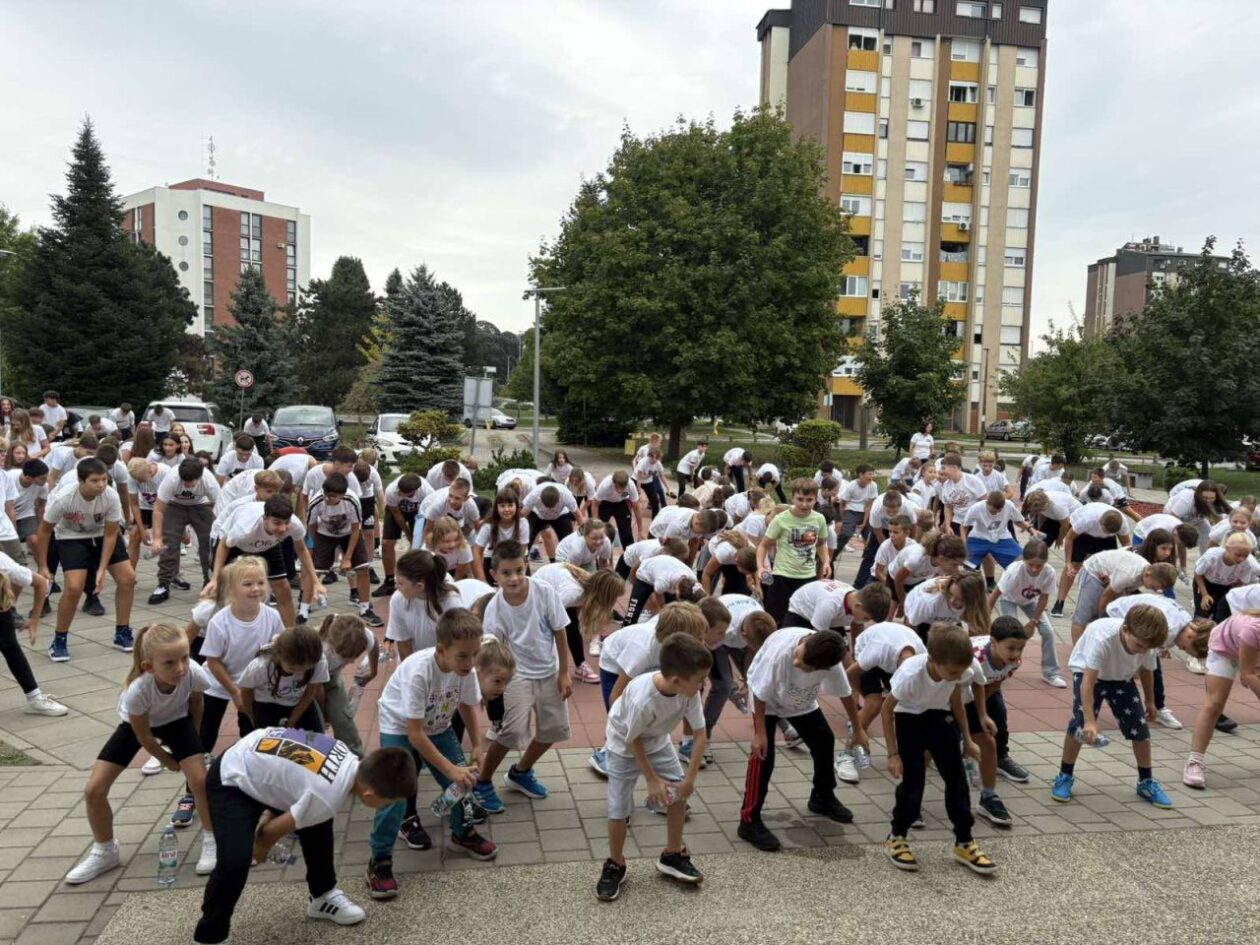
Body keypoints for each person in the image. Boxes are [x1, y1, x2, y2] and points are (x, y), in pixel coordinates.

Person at [193, 729, 416, 945]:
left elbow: (291, 782)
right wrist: (260, 848)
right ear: (370, 795)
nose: (386, 807)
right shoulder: (327, 795)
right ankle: (211, 935)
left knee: (317, 819)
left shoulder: (346, 756)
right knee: (235, 862)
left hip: (257, 758)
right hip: (232, 778)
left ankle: (322, 896)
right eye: (388, 803)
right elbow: (270, 832)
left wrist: (271, 816)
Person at [368, 610, 511, 898]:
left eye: (474, 655)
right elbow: (415, 734)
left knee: (464, 782)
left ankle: (462, 833)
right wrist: (450, 769)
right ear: (441, 650)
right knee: (394, 794)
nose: (470, 663)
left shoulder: (466, 669)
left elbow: (469, 706)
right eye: (463, 656)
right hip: (401, 725)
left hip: (439, 724)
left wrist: (478, 746)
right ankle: (380, 860)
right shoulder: (419, 672)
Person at [65, 624, 216, 885]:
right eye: (169, 663)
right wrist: (168, 760)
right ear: (149, 667)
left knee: (200, 781)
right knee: (94, 790)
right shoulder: (137, 691)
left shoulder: (193, 672)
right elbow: (143, 736)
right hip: (137, 727)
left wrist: (196, 744)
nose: (180, 668)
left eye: (184, 657)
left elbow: (197, 703)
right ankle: (105, 851)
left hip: (178, 722)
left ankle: (213, 840)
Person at [596, 633, 711, 901]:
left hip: (657, 740)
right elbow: (632, 739)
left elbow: (700, 733)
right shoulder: (643, 699)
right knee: (618, 809)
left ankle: (672, 855)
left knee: (679, 795)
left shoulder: (688, 691)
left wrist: (689, 781)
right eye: (699, 681)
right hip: (624, 745)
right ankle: (615, 863)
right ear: (676, 680)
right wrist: (651, 779)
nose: (702, 685)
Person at [737, 627, 866, 852]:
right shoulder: (780, 654)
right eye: (798, 654)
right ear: (806, 641)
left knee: (824, 740)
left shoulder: (831, 658)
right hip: (766, 702)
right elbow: (759, 692)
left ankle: (822, 797)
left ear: (822, 669)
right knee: (763, 755)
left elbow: (845, 692)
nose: (796, 662)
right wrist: (760, 734)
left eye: (803, 664)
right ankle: (749, 820)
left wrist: (857, 728)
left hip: (800, 700)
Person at [882, 622, 995, 875]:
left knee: (957, 780)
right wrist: (893, 754)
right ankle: (897, 836)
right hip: (909, 718)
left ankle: (964, 842)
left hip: (939, 717)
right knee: (914, 782)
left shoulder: (962, 668)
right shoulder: (910, 674)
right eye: (953, 672)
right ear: (933, 660)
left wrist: (967, 739)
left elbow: (955, 699)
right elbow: (886, 709)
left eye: (961, 672)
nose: (958, 676)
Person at [472, 541, 572, 812]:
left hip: (549, 671)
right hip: (517, 675)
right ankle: (482, 782)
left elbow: (560, 631)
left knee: (554, 729)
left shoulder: (544, 592)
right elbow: (493, 653)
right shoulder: (494, 609)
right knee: (510, 731)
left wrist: (564, 672)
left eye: (519, 569)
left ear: (526, 564)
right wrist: (493, 686)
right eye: (506, 573)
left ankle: (521, 772)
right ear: (495, 575)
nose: (514, 577)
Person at [1050, 605, 1174, 809]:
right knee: (1080, 725)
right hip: (1089, 673)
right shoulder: (1103, 639)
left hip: (1122, 678)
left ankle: (1146, 781)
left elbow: (1146, 670)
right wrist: (1090, 721)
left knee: (1139, 728)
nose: (1141, 650)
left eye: (1146, 648)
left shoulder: (1147, 643)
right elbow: (1088, 683)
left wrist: (1151, 701)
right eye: (1138, 645)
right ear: (1125, 630)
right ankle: (1064, 775)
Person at [37, 458, 136, 661]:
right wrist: (43, 565)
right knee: (74, 587)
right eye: (94, 480)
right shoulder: (64, 498)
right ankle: (59, 639)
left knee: (128, 578)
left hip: (102, 536)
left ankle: (122, 631)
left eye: (103, 479)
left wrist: (101, 570)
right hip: (71, 537)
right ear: (81, 481)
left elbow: (110, 535)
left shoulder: (110, 496)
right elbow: (44, 531)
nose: (100, 484)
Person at [206, 496, 316, 629]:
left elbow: (301, 549)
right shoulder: (244, 528)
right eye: (277, 523)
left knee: (284, 588)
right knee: (222, 591)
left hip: (268, 544)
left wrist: (315, 580)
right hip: (234, 545)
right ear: (265, 518)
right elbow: (224, 545)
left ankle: (290, 635)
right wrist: (215, 579)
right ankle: (210, 628)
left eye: (286, 522)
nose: (282, 528)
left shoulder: (294, 525)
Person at [1182, 611, 1259, 790]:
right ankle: (1194, 762)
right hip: (1225, 647)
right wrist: (1248, 672)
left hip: (1251, 651)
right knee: (1215, 703)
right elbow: (1248, 674)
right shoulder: (1252, 629)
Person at [965, 616, 1029, 825]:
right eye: (1011, 648)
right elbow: (954, 692)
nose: (1017, 654)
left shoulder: (1013, 661)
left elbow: (993, 685)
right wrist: (966, 731)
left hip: (985, 690)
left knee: (993, 731)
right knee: (933, 744)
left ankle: (988, 796)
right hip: (952, 691)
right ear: (993, 643)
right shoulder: (973, 659)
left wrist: (982, 716)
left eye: (1021, 648)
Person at [307, 471, 381, 627]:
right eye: (326, 494)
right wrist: (312, 548)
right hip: (324, 533)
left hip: (349, 534)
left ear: (342, 494)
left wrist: (347, 558)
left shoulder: (352, 500)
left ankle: (365, 608)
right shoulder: (316, 501)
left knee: (362, 568)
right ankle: (303, 609)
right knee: (313, 571)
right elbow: (311, 527)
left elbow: (356, 530)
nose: (328, 499)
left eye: (333, 496)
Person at [988, 539, 1064, 687]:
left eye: (1039, 566)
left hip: (1030, 601)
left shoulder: (1049, 572)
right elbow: (994, 596)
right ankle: (1001, 666)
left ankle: (1051, 673)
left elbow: (1044, 597)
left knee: (1048, 631)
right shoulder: (1014, 571)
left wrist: (1033, 622)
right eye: (1031, 564)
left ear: (1045, 563)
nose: (1035, 569)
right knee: (1011, 635)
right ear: (1024, 559)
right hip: (1008, 599)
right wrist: (985, 619)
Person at [756, 478, 829, 625]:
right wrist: (761, 567)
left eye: (809, 500)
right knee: (776, 619)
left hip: (807, 577)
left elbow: (821, 544)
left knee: (803, 620)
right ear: (792, 498)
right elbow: (763, 546)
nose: (804, 504)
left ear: (815, 499)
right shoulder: (780, 519)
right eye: (800, 499)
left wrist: (826, 561)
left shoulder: (819, 519)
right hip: (782, 576)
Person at [149, 458, 219, 604]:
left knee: (209, 545)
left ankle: (209, 582)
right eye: (184, 481)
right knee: (169, 544)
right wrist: (156, 538)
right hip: (175, 506)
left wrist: (219, 533)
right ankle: (164, 583)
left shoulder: (209, 481)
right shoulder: (172, 478)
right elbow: (158, 509)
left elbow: (220, 508)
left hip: (201, 506)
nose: (187, 485)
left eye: (190, 482)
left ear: (199, 477)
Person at [0, 551, 63, 715]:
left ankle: (35, 698)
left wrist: (35, 619)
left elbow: (41, 583)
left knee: (10, 646)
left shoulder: (3, 562)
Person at [1070, 549, 1177, 644]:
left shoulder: (1148, 572)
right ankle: (1078, 655)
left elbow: (1121, 597)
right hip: (1094, 571)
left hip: (1112, 574)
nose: (1155, 590)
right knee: (1082, 618)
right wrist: (1102, 619)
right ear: (1147, 575)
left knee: (1114, 616)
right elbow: (1106, 596)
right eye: (1154, 586)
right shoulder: (1130, 575)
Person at [237, 625, 329, 729]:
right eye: (293, 669)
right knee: (268, 739)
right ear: (279, 656)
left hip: (299, 701)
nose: (300, 672)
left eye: (307, 668)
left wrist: (292, 721)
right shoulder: (261, 665)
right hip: (266, 704)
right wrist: (252, 717)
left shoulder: (319, 660)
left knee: (314, 738)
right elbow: (246, 692)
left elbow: (310, 693)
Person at [1051, 503, 1131, 618]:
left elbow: (1127, 544)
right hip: (1083, 534)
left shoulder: (1122, 523)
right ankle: (1059, 603)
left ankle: (1100, 607)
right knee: (1074, 565)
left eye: (1111, 532)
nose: (1107, 533)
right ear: (1100, 523)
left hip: (1105, 540)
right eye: (1106, 530)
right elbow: (1069, 539)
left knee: (1106, 570)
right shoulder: (1088, 519)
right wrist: (1068, 562)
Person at [316, 613, 376, 756]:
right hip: (311, 686)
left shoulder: (360, 634)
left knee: (344, 722)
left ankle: (355, 760)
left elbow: (374, 645)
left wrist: (374, 672)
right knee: (317, 724)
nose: (352, 662)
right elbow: (316, 689)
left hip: (332, 678)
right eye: (346, 658)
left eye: (355, 657)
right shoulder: (321, 652)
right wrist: (325, 715)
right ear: (332, 647)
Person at [373, 473, 431, 598]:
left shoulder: (427, 492)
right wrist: (407, 532)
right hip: (396, 511)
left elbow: (426, 518)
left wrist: (415, 537)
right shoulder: (392, 490)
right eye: (399, 490)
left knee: (417, 545)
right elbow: (396, 513)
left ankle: (413, 579)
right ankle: (389, 581)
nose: (398, 492)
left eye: (402, 492)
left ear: (413, 492)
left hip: (419, 513)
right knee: (387, 543)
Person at [1193, 533, 1260, 621]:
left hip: (1226, 585)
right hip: (1204, 582)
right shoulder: (1212, 556)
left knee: (1220, 612)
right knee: (1203, 611)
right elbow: (1198, 573)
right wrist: (1205, 595)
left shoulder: (1247, 564)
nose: (1241, 559)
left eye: (1246, 555)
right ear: (1227, 548)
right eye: (1238, 555)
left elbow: (1240, 583)